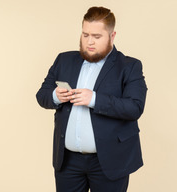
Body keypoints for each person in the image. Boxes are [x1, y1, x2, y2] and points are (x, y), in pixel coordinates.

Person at [36, 6, 147, 192]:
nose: (89, 42)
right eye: (85, 35)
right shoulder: (63, 60)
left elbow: (135, 107)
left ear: (112, 36)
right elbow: (42, 95)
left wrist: (94, 99)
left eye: (96, 37)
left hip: (109, 162)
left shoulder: (129, 66)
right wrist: (55, 96)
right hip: (67, 161)